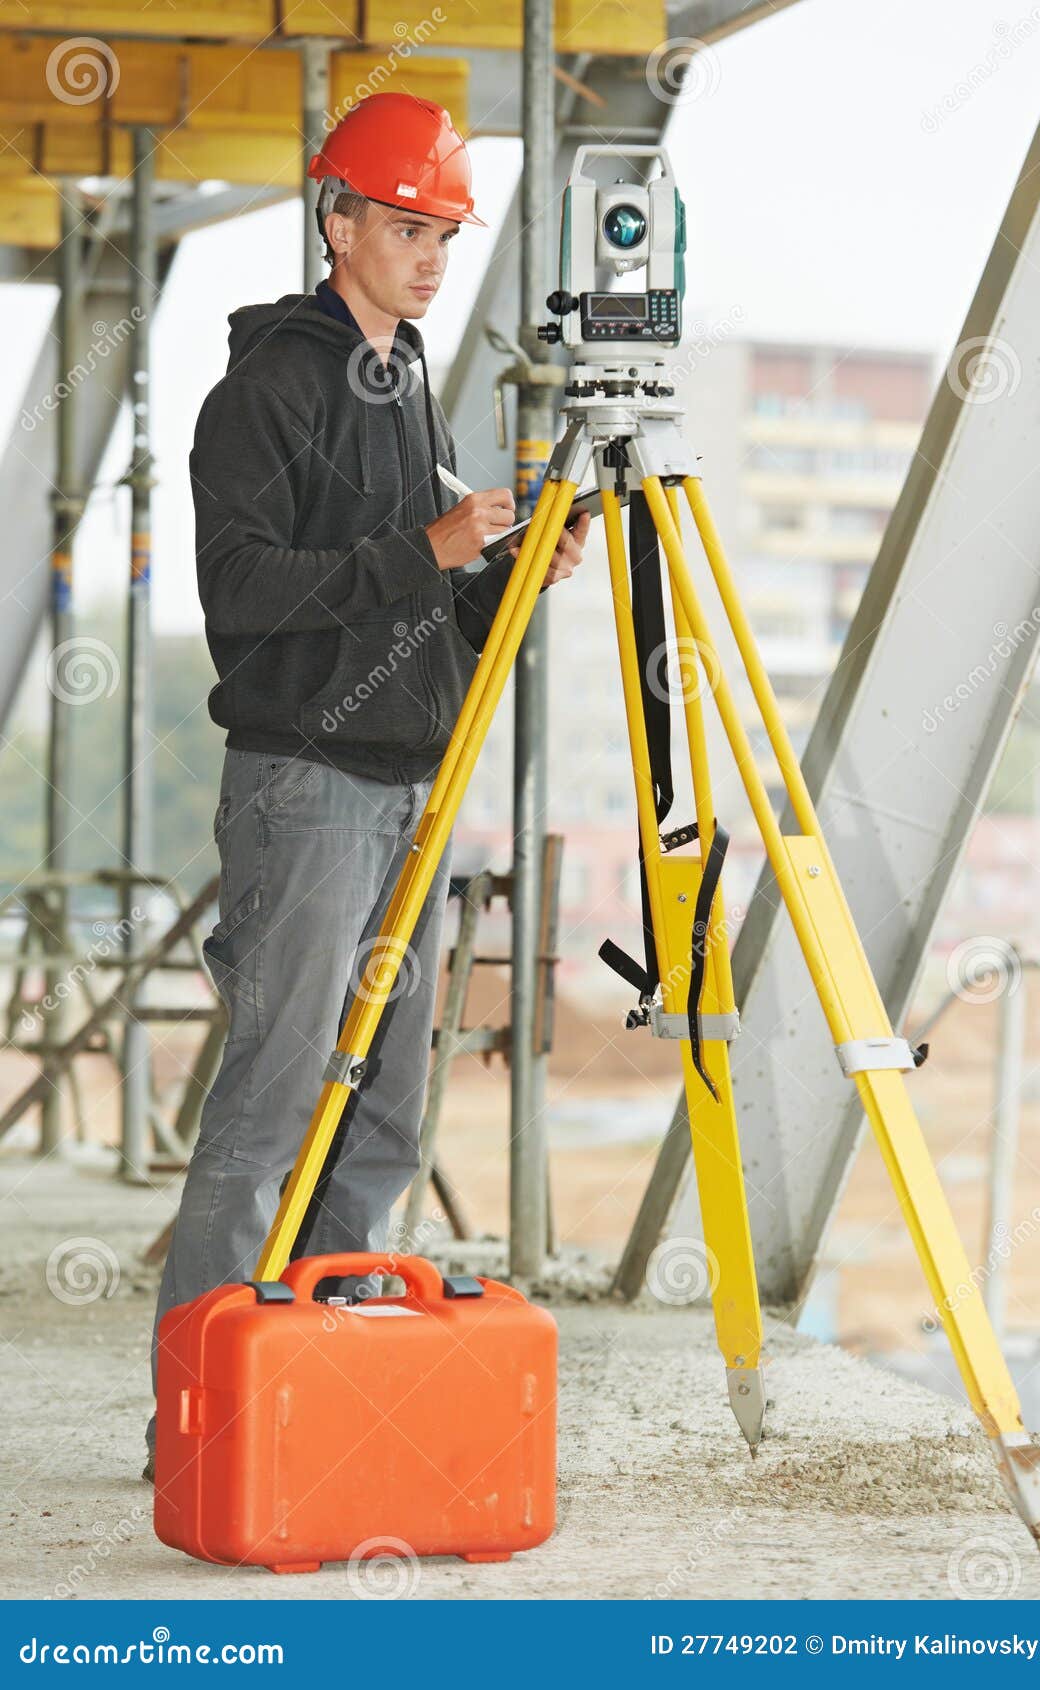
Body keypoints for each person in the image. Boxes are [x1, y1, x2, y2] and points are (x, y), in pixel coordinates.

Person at [144, 92, 588, 1478]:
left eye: (446, 234)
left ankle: (319, 1394)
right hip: (306, 787)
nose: (432, 257)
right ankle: (199, 1424)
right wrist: (426, 548)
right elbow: (241, 593)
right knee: (274, 1104)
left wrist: (507, 573)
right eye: (406, 228)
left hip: (409, 789)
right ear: (337, 223)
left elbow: (416, 606)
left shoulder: (409, 389)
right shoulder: (264, 392)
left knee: (384, 1108)